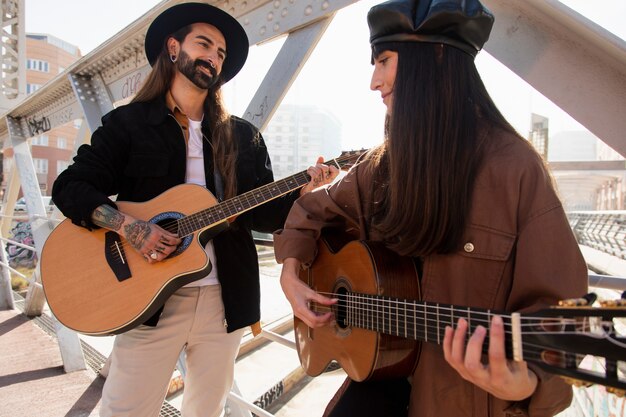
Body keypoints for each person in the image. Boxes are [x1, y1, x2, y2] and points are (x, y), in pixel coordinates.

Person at [273, 0, 589, 416]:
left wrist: (528, 379)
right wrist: (291, 272)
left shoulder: (515, 169)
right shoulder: (380, 168)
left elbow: (566, 318)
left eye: (384, 60)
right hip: (380, 384)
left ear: (435, 57)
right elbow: (313, 209)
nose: (374, 81)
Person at [51, 3, 338, 416]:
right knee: (124, 411)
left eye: (221, 52)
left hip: (226, 301)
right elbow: (70, 187)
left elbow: (264, 217)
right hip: (149, 302)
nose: (213, 56)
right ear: (173, 48)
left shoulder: (242, 136)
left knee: (208, 411)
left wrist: (305, 191)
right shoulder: (127, 125)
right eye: (204, 44)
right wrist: (131, 227)